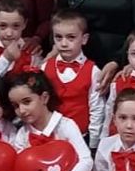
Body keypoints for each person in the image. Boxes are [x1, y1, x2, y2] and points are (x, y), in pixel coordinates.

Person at [44, 9, 105, 149]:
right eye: (58, 37)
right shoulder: (45, 67)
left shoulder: (93, 71)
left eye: (71, 37)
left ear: (84, 39)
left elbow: (97, 108)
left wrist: (93, 143)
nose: (64, 43)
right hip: (51, 135)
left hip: (81, 137)